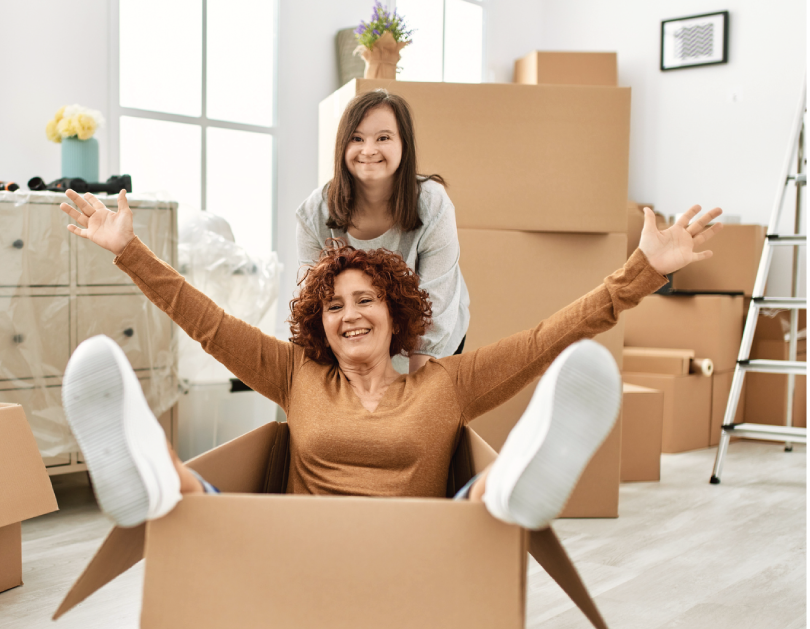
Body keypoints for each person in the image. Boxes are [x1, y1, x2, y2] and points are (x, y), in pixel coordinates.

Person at [59, 189, 721, 530]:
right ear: (318, 322)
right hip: (300, 552)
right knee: (194, 495)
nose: (350, 314)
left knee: (484, 499)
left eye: (366, 299)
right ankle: (149, 471)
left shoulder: (449, 380)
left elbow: (551, 335)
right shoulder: (296, 373)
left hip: (419, 554)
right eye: (334, 305)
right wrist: (127, 251)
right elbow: (202, 318)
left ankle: (517, 480)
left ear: (396, 309)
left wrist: (642, 272)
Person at [297, 89, 468, 374]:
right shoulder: (314, 213)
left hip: (433, 343)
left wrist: (414, 393)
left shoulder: (432, 204)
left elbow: (436, 310)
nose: (368, 150)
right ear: (343, 146)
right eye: (357, 138)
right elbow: (311, 307)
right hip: (356, 347)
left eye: (383, 138)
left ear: (404, 145)